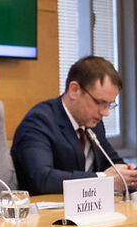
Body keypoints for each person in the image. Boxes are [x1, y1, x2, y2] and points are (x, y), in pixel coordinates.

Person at [11, 55, 137, 195]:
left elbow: (113, 164)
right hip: (48, 213)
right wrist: (103, 179)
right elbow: (43, 180)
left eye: (109, 105)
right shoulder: (39, 121)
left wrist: (129, 174)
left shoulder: (94, 124)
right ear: (74, 90)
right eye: (100, 103)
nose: (106, 113)